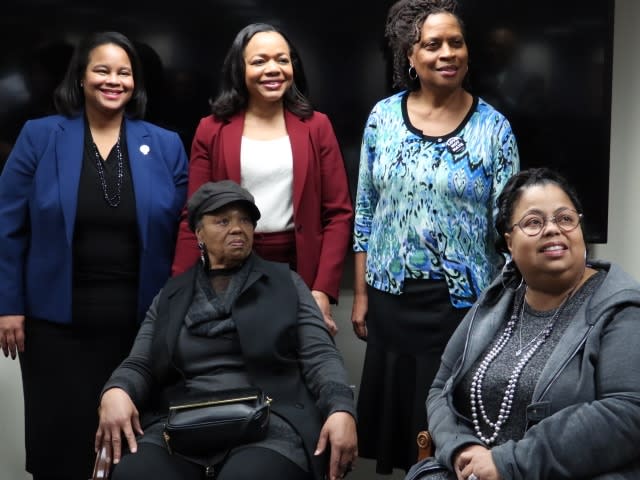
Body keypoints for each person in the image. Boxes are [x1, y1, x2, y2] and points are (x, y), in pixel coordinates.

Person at [0, 31, 188, 479]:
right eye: (102, 70)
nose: (113, 80)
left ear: (135, 83)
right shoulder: (40, 136)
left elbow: (185, 231)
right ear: (81, 78)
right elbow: (7, 226)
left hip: (140, 329)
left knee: (133, 453)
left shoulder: (165, 144)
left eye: (123, 72)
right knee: (60, 447)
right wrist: (8, 306)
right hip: (53, 327)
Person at [351, 0, 520, 473]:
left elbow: (510, 231)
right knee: (401, 432)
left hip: (463, 311)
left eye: (456, 42)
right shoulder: (382, 118)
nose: (447, 53)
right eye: (433, 44)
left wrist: (504, 311)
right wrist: (360, 294)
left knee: (451, 432)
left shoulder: (494, 129)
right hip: (391, 300)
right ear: (410, 55)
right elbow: (365, 209)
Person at [95, 180, 358, 480]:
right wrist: (116, 390)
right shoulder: (172, 294)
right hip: (182, 422)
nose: (237, 228)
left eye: (245, 220)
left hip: (270, 422)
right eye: (222, 220)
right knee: (136, 473)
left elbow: (321, 356)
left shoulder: (286, 283)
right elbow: (140, 362)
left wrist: (341, 408)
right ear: (198, 233)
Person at [405, 167, 640, 480]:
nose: (553, 229)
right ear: (510, 243)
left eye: (565, 218)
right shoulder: (496, 299)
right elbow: (440, 389)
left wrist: (508, 463)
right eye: (534, 222)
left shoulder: (621, 307)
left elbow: (628, 411)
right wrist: (462, 448)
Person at [171, 23, 353, 336]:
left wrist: (323, 289)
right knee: (232, 370)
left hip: (298, 272)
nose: (273, 69)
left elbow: (338, 214)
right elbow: (195, 217)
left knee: (298, 371)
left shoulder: (317, 126)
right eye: (259, 61)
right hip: (229, 268)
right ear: (239, 69)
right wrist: (180, 290)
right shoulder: (211, 129)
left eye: (282, 60)